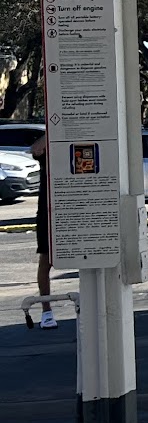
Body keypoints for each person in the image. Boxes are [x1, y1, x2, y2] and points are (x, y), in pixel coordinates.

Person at [32, 137, 54, 330]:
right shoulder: (48, 145)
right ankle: (46, 311)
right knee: (45, 260)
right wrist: (52, 129)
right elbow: (36, 150)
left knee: (88, 260)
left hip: (77, 208)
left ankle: (93, 305)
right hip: (48, 211)